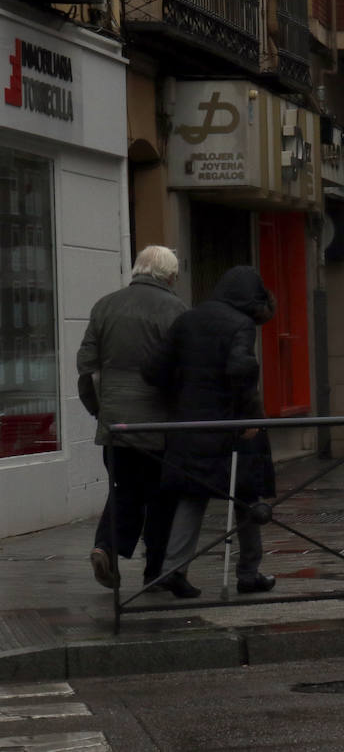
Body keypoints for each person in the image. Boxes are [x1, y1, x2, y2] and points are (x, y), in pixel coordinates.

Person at [146, 266, 277, 598]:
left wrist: (182, 397)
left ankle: (174, 569)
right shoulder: (241, 324)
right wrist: (248, 417)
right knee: (246, 495)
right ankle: (249, 572)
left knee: (193, 494)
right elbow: (241, 369)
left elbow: (155, 370)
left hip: (189, 425)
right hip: (228, 426)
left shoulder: (188, 319)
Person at [77, 246, 188, 590]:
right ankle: (156, 571)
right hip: (159, 425)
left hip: (115, 423)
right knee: (161, 498)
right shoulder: (176, 310)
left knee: (122, 490)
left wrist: (100, 410)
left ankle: (106, 547)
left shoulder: (105, 305)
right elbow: (181, 371)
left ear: (138, 270)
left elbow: (86, 368)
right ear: (170, 276)